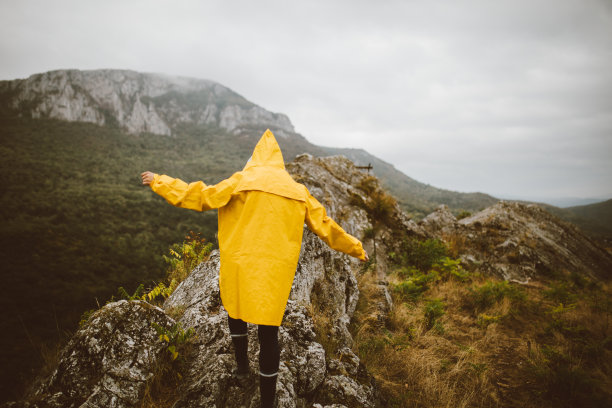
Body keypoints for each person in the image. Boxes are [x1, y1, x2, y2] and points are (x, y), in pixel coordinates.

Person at [141, 129, 368, 407]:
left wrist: (160, 182)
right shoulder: (298, 192)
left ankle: (241, 368)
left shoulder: (241, 181)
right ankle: (268, 402)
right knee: (268, 333)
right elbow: (327, 227)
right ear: (278, 162)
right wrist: (356, 248)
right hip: (273, 272)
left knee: (235, 311)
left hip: (240, 263)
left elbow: (198, 196)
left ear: (255, 159)